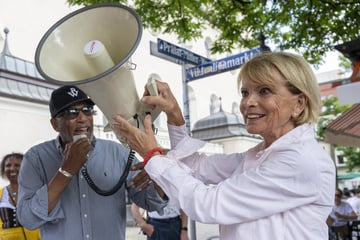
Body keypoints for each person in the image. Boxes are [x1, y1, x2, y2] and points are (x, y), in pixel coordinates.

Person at [111, 52, 336, 239]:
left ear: (299, 103)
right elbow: (196, 165)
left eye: (264, 91)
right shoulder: (263, 154)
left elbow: (208, 204)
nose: (248, 102)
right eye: (245, 93)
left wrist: (153, 156)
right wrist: (175, 116)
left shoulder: (299, 159)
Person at [16, 85, 167, 240]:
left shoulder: (120, 153)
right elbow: (28, 219)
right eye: (72, 113)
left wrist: (159, 172)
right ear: (55, 124)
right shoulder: (36, 159)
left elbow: (151, 203)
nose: (82, 118)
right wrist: (66, 171)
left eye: (87, 110)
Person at [0, 153, 40, 240]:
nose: (12, 168)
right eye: (8, 165)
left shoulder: (37, 191)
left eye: (17, 165)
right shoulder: (1, 194)